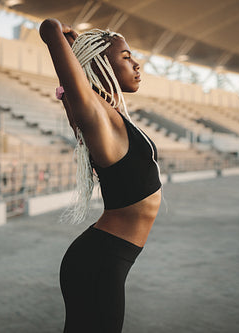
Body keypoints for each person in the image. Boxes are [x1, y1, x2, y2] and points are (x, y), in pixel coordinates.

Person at [40, 18, 162, 333]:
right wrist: (56, 30)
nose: (137, 64)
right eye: (126, 57)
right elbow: (48, 29)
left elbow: (76, 84)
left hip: (107, 258)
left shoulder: (108, 114)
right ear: (102, 66)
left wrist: (78, 45)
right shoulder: (95, 115)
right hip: (100, 262)